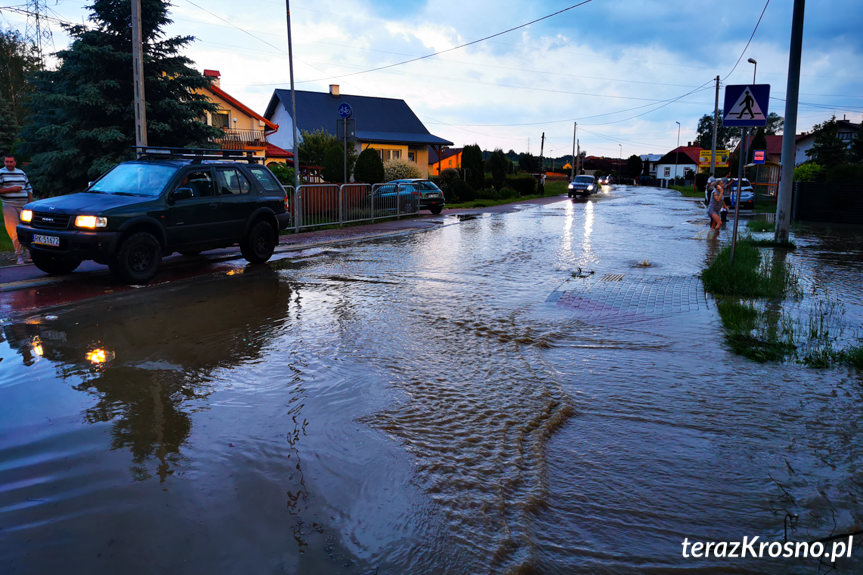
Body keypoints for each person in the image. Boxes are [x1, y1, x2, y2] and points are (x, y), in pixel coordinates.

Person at [0, 155, 33, 265]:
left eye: (11, 161)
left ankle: (29, 252)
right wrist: (11, 189)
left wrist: (30, 203)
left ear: (15, 162)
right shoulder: (1, 173)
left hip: (24, 205)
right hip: (9, 205)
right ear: (4, 162)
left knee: (27, 228)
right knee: (14, 230)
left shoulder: (21, 172)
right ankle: (18, 254)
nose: (8, 163)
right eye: (7, 161)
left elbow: (29, 188)